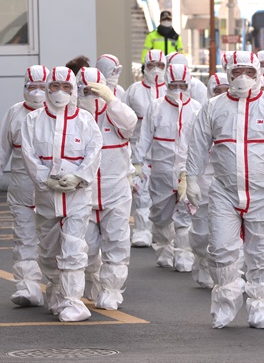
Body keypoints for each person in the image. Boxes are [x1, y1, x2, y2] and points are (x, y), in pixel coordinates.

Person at [185, 51, 264, 329]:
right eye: (237, 72)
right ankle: (226, 302)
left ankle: (262, 307)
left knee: (260, 252)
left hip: (263, 193)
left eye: (249, 72)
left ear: (259, 73)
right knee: (221, 249)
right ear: (228, 72)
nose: (243, 78)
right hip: (224, 192)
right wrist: (190, 178)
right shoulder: (213, 107)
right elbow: (198, 144)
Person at [21, 66, 102, 321]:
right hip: (46, 200)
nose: (60, 92)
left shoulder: (85, 120)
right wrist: (46, 180)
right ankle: (56, 288)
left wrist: (79, 176)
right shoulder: (32, 121)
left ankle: (73, 301)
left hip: (77, 198)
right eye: (54, 86)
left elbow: (94, 151)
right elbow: (28, 155)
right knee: (47, 251)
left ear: (74, 91)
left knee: (73, 249)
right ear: (47, 89)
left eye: (66, 87)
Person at [0, 65, 50, 307]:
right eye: (32, 87)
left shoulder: (61, 114)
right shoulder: (15, 113)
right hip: (22, 188)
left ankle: (59, 287)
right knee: (24, 238)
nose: (37, 92)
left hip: (53, 190)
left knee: (54, 241)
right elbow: (1, 146)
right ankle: (28, 287)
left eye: (43, 87)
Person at [76, 67, 137, 310]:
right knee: (86, 249)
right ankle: (92, 281)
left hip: (116, 193)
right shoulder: (74, 117)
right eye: (86, 90)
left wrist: (111, 100)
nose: (91, 95)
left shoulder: (114, 113)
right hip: (83, 196)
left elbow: (130, 123)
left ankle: (112, 290)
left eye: (96, 90)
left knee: (117, 245)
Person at [133, 64, 202, 271]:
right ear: (167, 84)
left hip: (187, 171)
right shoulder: (156, 107)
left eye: (183, 85)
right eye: (174, 85)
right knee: (160, 214)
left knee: (186, 214)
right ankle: (164, 247)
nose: (178, 90)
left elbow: (203, 142)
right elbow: (144, 137)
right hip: (161, 170)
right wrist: (137, 164)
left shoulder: (197, 108)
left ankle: (183, 254)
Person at [186, 72, 230, 288]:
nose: (222, 94)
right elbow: (191, 149)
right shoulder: (201, 113)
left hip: (227, 181)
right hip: (203, 179)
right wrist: (187, 177)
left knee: (227, 233)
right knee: (202, 231)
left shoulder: (240, 115)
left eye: (225, 89)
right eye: (217, 91)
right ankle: (202, 260)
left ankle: (227, 272)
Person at [124, 50, 167, 247]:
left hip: (165, 151)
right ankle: (142, 231)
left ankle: (162, 232)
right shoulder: (133, 90)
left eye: (160, 65)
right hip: (138, 149)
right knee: (141, 193)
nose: (156, 69)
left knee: (164, 195)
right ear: (144, 67)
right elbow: (122, 117)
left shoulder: (170, 90)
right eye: (151, 65)